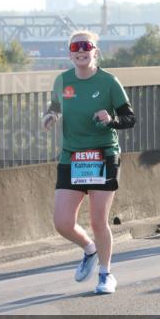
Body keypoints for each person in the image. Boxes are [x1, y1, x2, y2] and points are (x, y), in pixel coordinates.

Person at [41, 30, 136, 294]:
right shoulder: (62, 81)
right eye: (75, 46)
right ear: (70, 53)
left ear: (95, 51)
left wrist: (111, 120)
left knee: (97, 221)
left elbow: (130, 118)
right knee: (62, 222)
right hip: (71, 156)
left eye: (87, 46)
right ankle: (89, 249)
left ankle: (106, 274)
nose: (81, 50)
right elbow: (55, 107)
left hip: (102, 155)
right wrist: (49, 117)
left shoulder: (109, 82)